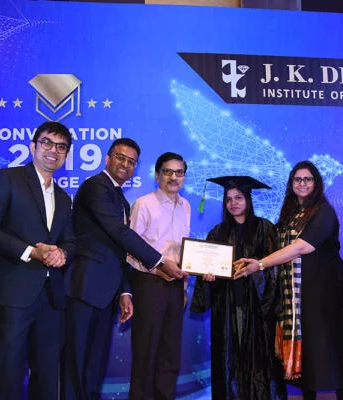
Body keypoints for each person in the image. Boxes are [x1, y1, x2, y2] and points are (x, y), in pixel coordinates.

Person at [63, 138, 186, 400]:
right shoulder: (96, 186)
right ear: (107, 158)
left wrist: (124, 291)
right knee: (77, 358)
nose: (125, 164)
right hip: (85, 285)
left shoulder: (119, 196)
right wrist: (160, 261)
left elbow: (118, 251)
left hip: (107, 289)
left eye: (131, 161)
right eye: (120, 157)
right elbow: (120, 233)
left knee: (94, 362)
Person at [0, 121, 76, 400]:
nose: (53, 150)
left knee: (47, 375)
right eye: (47, 143)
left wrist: (63, 253)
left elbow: (70, 241)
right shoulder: (6, 178)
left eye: (61, 147)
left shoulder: (64, 198)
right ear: (32, 146)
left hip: (51, 299)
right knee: (7, 374)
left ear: (67, 155)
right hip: (12, 292)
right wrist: (32, 251)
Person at [235, 161, 343, 400]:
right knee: (306, 350)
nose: (302, 183)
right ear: (291, 184)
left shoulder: (324, 211)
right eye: (297, 179)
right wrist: (256, 259)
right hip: (295, 293)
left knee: (330, 345)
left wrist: (260, 264)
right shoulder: (290, 215)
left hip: (322, 291)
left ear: (316, 183)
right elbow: (278, 248)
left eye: (307, 179)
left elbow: (301, 247)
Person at [191, 176, 287, 400]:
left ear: (248, 200)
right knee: (229, 359)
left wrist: (256, 269)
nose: (232, 203)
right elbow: (207, 268)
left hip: (257, 309)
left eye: (238, 198)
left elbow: (276, 268)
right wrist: (208, 277)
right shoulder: (217, 233)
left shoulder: (265, 228)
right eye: (228, 199)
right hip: (227, 307)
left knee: (259, 361)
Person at [127, 152, 191, 400]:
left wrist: (183, 288)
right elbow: (130, 250)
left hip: (175, 286)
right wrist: (158, 269)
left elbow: (184, 251)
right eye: (168, 171)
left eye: (179, 172)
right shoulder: (144, 204)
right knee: (146, 350)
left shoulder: (185, 206)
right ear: (157, 175)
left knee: (170, 351)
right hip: (149, 282)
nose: (174, 177)